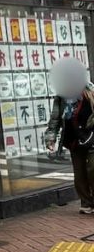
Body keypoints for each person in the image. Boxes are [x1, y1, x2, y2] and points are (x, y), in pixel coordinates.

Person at [44, 57, 94, 214]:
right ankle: (86, 202)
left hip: (91, 138)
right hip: (73, 140)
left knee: (92, 170)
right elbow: (55, 119)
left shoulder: (90, 92)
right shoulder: (61, 98)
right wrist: (51, 138)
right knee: (79, 173)